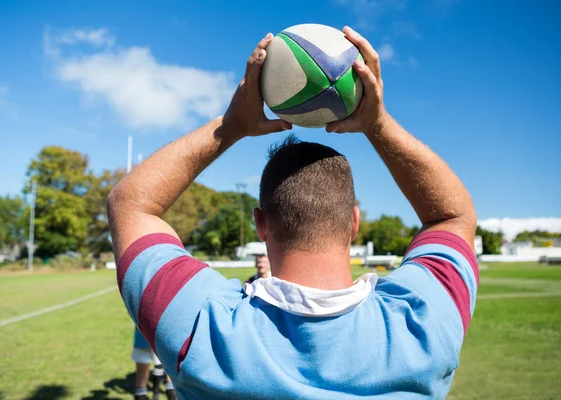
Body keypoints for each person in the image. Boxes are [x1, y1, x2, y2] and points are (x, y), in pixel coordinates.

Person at [108, 26, 478, 399]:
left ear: (260, 225)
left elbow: (130, 205)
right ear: (354, 223)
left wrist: (231, 126)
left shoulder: (205, 330)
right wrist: (378, 123)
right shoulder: (423, 325)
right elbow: (451, 216)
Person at [132, 327, 176, 400]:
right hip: (164, 335)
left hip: (142, 333)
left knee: (140, 381)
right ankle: (156, 393)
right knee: (170, 378)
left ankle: (155, 393)